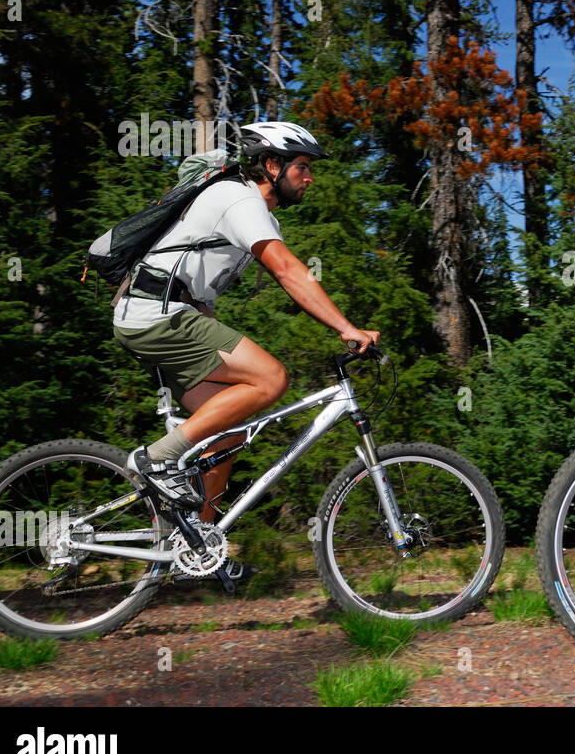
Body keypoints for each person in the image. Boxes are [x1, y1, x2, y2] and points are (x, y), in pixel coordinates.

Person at [114, 121, 379, 580]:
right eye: (302, 167)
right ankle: (154, 460)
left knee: (228, 433)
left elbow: (200, 285)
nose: (309, 177)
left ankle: (196, 545)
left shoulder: (257, 212)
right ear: (271, 165)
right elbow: (288, 271)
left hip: (159, 314)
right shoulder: (239, 198)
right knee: (272, 378)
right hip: (151, 313)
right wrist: (345, 328)